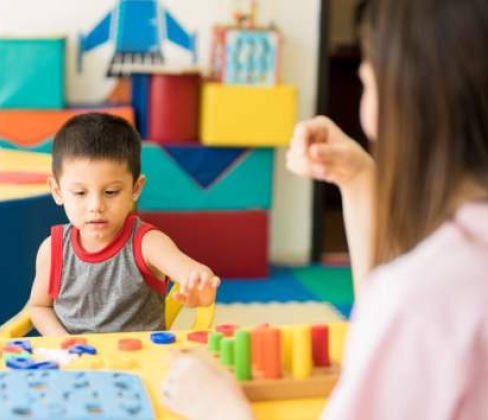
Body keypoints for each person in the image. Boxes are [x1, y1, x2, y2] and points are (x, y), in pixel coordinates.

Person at [160, 0, 488, 418]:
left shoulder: (421, 300)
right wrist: (358, 179)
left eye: (367, 83)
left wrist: (221, 408)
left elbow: (401, 311)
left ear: (403, 100)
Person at [28, 112, 221, 336]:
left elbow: (188, 269)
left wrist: (200, 283)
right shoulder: (52, 250)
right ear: (57, 191)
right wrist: (63, 341)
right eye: (80, 193)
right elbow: (39, 307)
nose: (96, 206)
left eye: (111, 192)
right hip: (73, 356)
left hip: (140, 356)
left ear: (135, 189)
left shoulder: (147, 244)